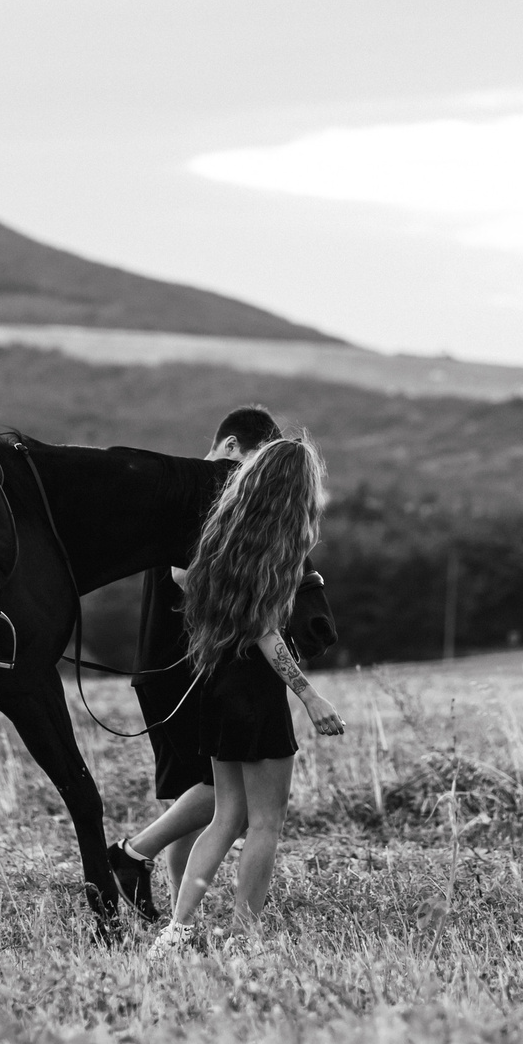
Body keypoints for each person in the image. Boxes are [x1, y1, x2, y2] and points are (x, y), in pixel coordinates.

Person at [151, 435, 344, 950]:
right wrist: (309, 695)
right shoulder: (279, 545)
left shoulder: (220, 529)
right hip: (256, 693)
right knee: (265, 824)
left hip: (215, 682)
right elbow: (265, 631)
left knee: (225, 816)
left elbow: (179, 575)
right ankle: (243, 936)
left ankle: (177, 930)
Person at [105, 406, 282, 915]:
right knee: (225, 796)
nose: (250, 475)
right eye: (251, 462)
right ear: (231, 446)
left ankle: (180, 917)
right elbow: (185, 577)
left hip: (168, 665)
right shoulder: (204, 494)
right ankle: (131, 854)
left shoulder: (187, 492)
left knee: (197, 796)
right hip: (182, 668)